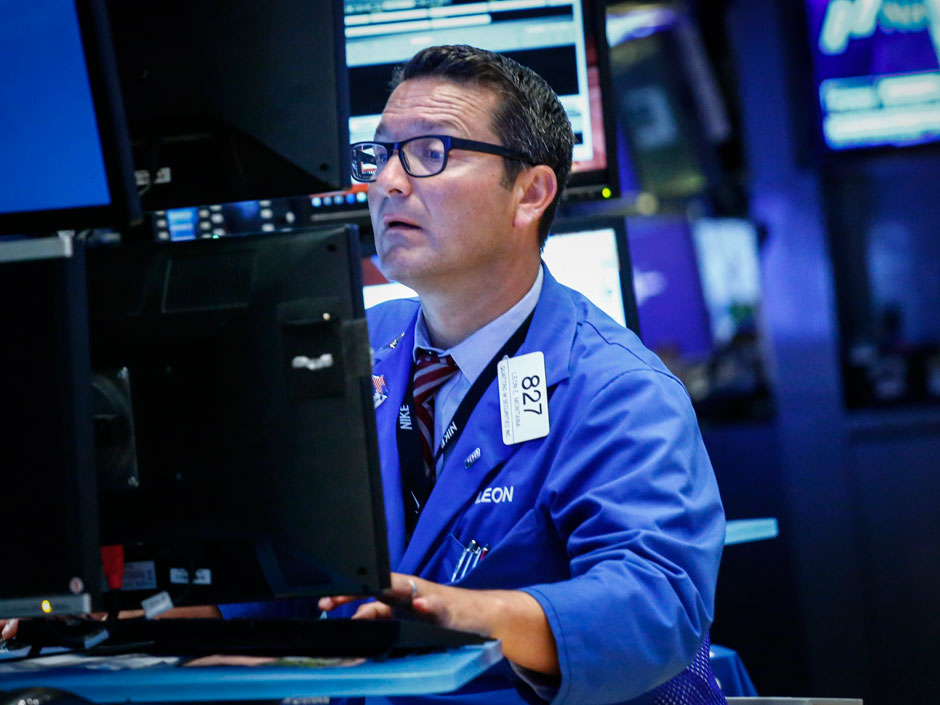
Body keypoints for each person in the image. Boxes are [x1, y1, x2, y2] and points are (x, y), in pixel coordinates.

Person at [2, 44, 726, 705]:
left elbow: (658, 602)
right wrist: (140, 613)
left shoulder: (616, 387)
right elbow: (291, 569)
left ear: (531, 192)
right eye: (376, 155)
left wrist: (462, 611)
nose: (385, 183)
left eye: (430, 153)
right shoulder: (349, 346)